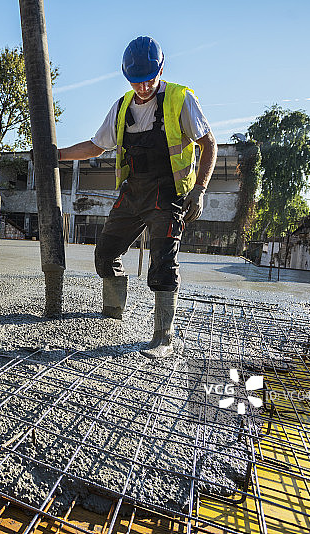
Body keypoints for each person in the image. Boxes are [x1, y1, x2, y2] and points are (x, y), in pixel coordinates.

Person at [58, 36, 217, 357]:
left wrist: (200, 189)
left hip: (168, 194)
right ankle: (113, 312)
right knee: (105, 254)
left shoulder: (180, 99)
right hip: (133, 192)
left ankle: (163, 338)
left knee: (163, 264)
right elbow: (96, 146)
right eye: (135, 81)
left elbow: (208, 144)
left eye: (148, 80)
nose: (143, 87)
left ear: (161, 71)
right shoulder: (121, 107)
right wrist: (58, 154)